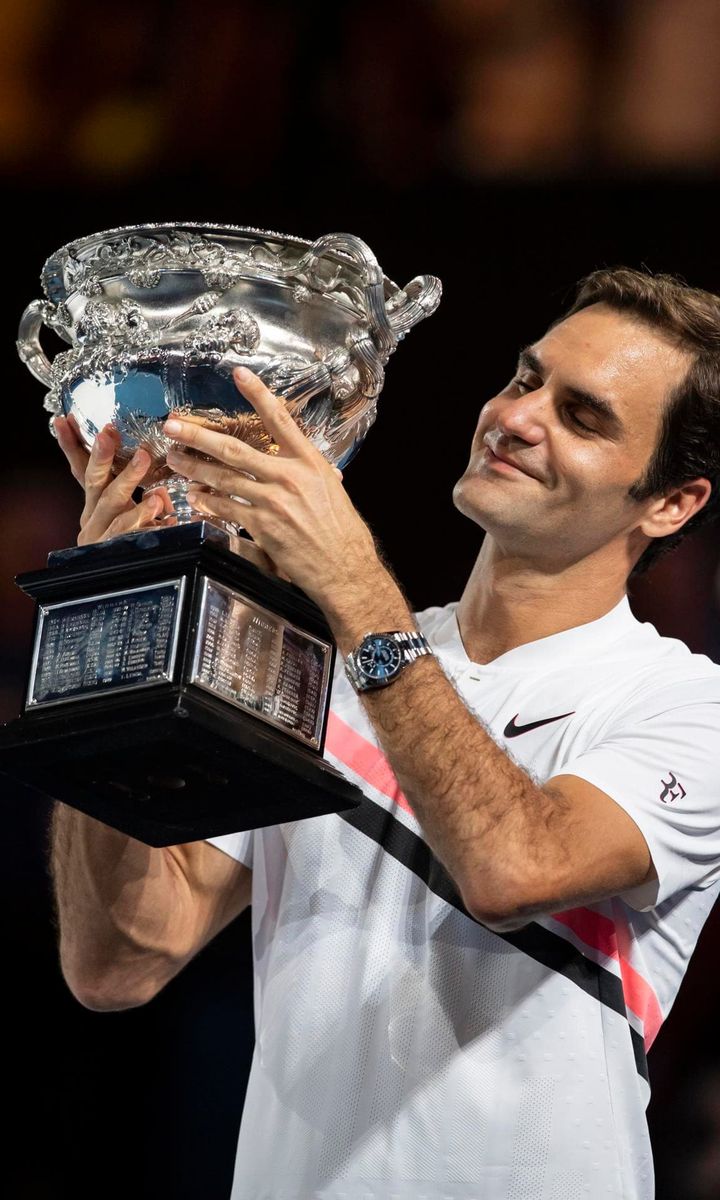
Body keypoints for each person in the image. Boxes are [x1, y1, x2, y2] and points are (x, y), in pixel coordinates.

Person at [52, 267, 720, 1200]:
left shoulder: (686, 707)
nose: (520, 418)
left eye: (585, 416)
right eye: (527, 379)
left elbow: (513, 868)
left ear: (672, 502)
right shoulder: (316, 668)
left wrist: (351, 582)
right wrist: (117, 619)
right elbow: (118, 959)